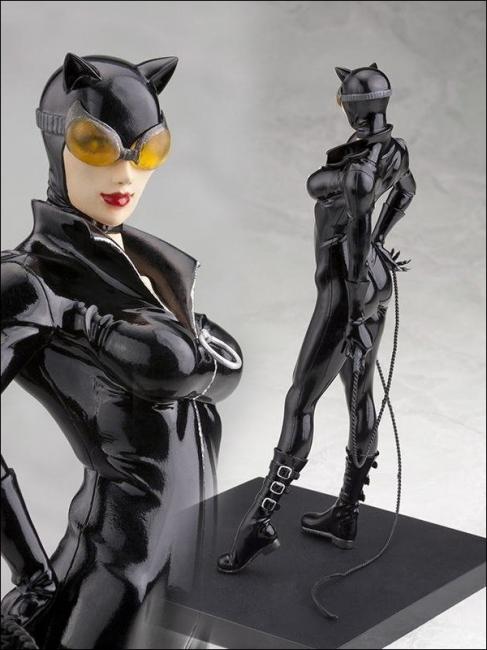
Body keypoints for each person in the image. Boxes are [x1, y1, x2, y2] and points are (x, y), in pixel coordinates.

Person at [1, 52, 242, 649]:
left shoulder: (147, 268)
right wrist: (30, 570)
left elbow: (205, 374)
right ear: (57, 140)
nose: (125, 173)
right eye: (96, 145)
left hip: (190, 572)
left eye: (148, 151)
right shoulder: (29, 281)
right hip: (114, 575)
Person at [217, 63, 416, 574]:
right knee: (360, 393)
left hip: (344, 289)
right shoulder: (393, 151)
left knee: (300, 402)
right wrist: (379, 246)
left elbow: (356, 235)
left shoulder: (358, 170)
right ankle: (345, 516)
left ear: (351, 106)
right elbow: (406, 191)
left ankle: (257, 525)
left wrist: (353, 305)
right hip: (373, 283)